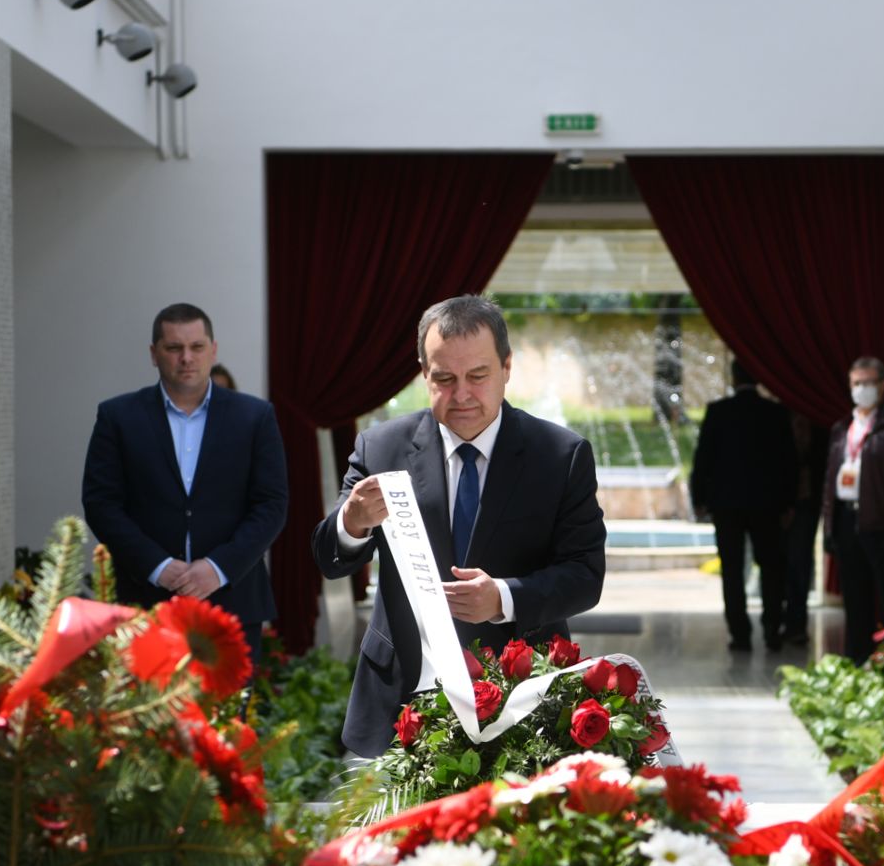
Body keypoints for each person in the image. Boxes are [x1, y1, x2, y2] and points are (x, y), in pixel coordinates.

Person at [312, 294, 606, 756]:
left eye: (478, 376)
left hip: (521, 696)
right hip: (400, 699)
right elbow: (330, 560)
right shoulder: (380, 447)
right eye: (444, 379)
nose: (462, 394)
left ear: (507, 367)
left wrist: (503, 598)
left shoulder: (561, 456)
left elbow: (586, 577)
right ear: (424, 373)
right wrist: (352, 522)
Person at [81, 303, 288, 649]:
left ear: (213, 350)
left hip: (234, 601)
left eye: (196, 347)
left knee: (230, 706)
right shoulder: (117, 417)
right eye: (174, 348)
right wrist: (158, 566)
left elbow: (271, 505)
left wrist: (218, 567)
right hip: (146, 601)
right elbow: (101, 504)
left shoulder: (255, 417)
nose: (186, 358)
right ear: (154, 353)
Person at [688, 360, 796, 651]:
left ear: (733, 378)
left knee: (733, 570)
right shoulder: (775, 413)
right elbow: (788, 461)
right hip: (768, 505)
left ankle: (740, 634)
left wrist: (698, 499)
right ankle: (773, 628)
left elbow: (703, 460)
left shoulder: (718, 411)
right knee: (771, 567)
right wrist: (789, 503)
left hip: (727, 505)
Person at [823, 356, 884, 663]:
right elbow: (830, 481)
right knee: (856, 602)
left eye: (868, 383)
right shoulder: (842, 429)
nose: (862, 389)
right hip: (848, 521)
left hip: (882, 524)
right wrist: (828, 527)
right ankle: (858, 665)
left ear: (883, 385)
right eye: (856, 383)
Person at [780, 406, 828, 645]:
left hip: (807, 502)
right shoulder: (778, 417)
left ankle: (796, 621)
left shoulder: (819, 421)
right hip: (778, 505)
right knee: (778, 563)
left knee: (800, 563)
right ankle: (778, 619)